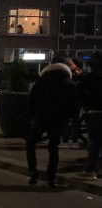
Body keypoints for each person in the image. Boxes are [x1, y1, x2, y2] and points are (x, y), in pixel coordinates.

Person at [27, 59, 79, 187]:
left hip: (40, 117)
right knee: (53, 147)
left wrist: (34, 113)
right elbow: (74, 104)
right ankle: (51, 177)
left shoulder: (41, 82)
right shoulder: (69, 83)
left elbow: (31, 99)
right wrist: (65, 116)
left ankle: (33, 170)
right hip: (57, 119)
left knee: (31, 142)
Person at [78, 52, 102, 180]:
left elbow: (81, 93)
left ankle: (90, 170)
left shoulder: (89, 78)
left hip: (94, 112)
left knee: (94, 142)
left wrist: (86, 107)